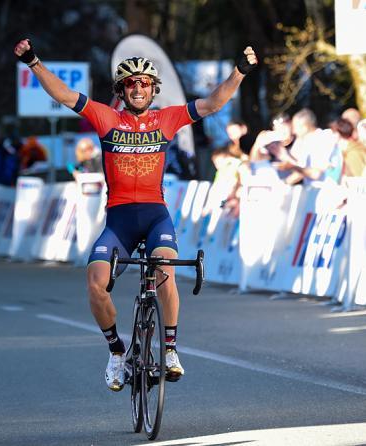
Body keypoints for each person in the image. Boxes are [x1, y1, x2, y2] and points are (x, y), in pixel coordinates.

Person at [14, 38, 257, 391]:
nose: (138, 88)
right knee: (96, 284)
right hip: (119, 221)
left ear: (153, 89)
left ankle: (170, 350)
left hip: (156, 217)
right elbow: (66, 95)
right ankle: (116, 354)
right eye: (131, 82)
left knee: (165, 272)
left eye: (144, 83)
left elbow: (213, 103)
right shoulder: (107, 118)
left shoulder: (167, 119)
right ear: (122, 89)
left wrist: (239, 72)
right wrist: (34, 61)